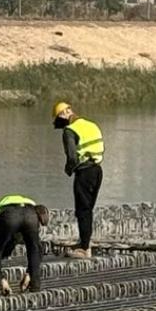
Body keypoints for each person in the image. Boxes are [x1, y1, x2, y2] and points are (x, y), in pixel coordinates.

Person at [51, 102, 104, 257]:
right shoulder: (91, 125)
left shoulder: (69, 130)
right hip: (97, 170)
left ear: (63, 115)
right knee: (88, 209)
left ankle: (84, 248)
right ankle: (84, 242)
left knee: (82, 210)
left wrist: (68, 170)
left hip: (84, 172)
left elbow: (72, 157)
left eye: (58, 120)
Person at [0, 195, 50, 295]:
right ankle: (35, 283)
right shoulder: (32, 205)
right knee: (34, 248)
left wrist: (0, 278)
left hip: (9, 216)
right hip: (30, 216)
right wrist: (30, 273)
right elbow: (36, 249)